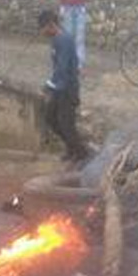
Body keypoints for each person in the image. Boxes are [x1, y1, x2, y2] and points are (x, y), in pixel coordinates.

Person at [37, 9, 89, 164]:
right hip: (60, 89)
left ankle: (81, 154)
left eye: (42, 28)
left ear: (50, 25)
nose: (41, 32)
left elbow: (62, 68)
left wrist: (49, 85)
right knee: (51, 118)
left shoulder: (63, 40)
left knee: (67, 125)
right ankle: (72, 148)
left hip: (67, 89)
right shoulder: (57, 39)